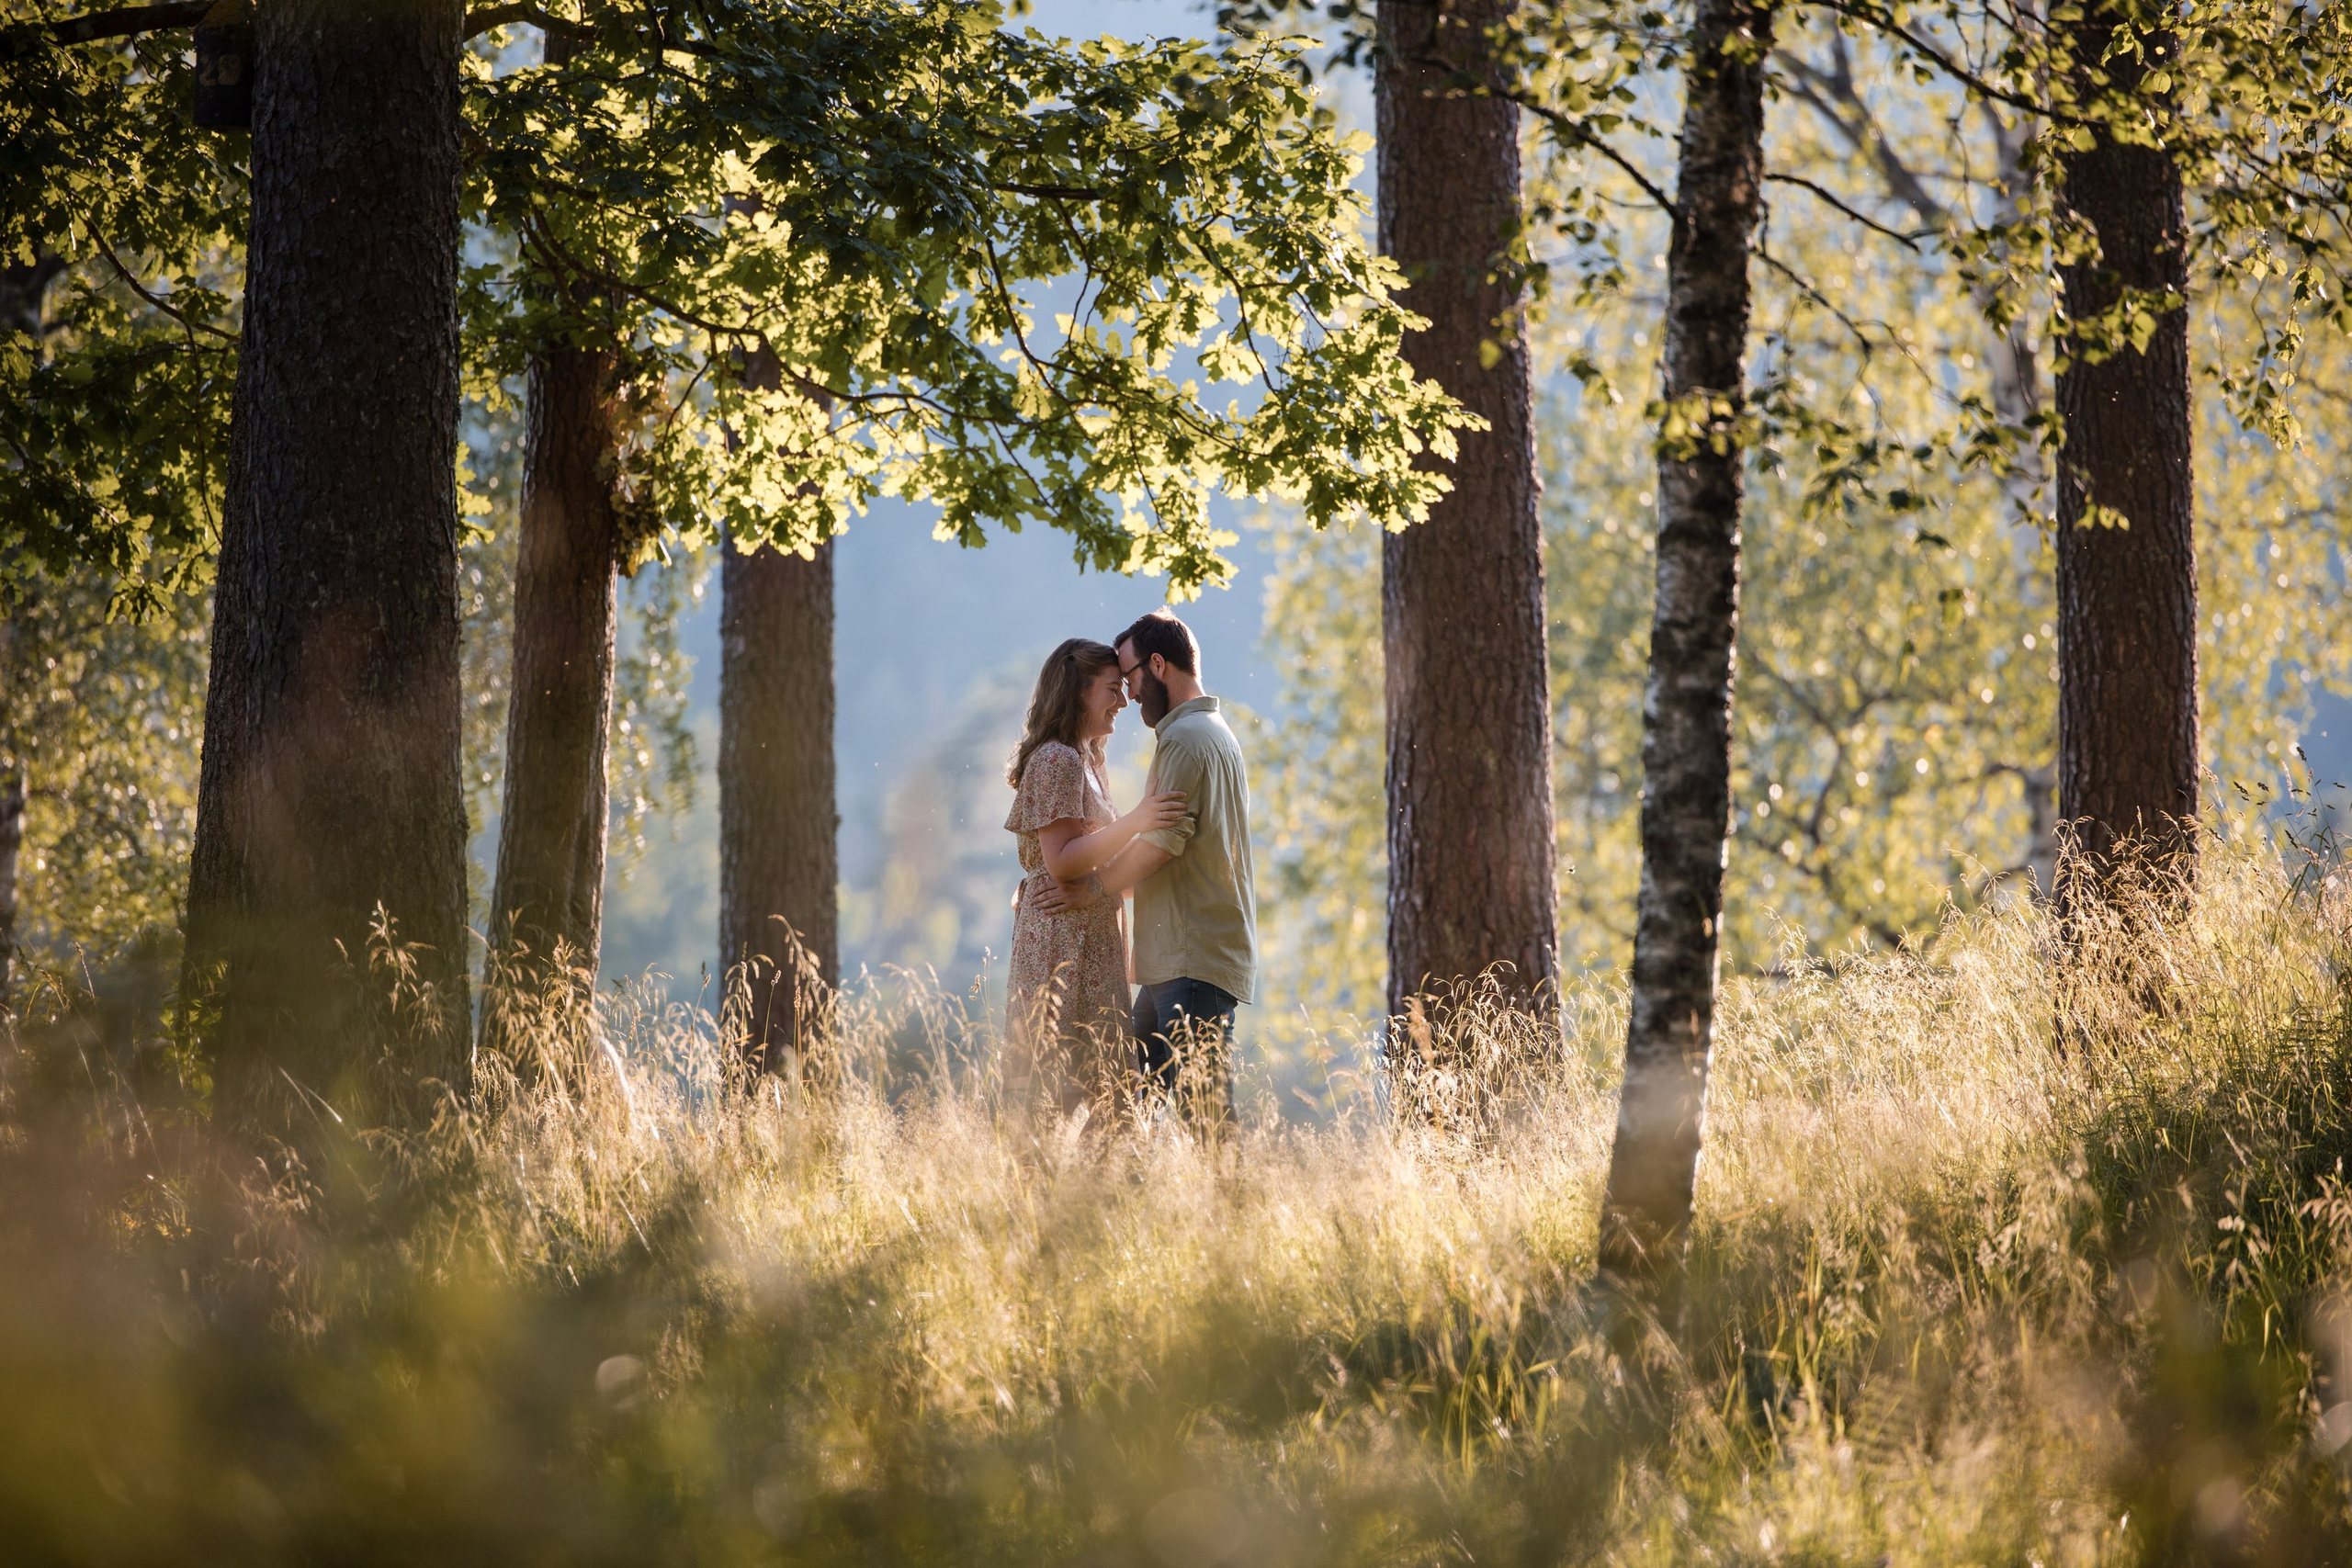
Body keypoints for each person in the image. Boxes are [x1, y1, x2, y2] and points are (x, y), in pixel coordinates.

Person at [1039, 609, 1257, 1126]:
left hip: (1190, 957)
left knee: (1204, 1118)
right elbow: (1183, 856)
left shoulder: (1184, 740)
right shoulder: (1216, 733)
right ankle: (1084, 1205)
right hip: (1182, 956)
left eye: (1131, 679)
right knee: (1126, 1100)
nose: (1128, 695)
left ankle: (1231, 1203)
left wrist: (1090, 889)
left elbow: (1159, 845)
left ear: (1158, 665)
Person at [1002, 637, 1186, 1118]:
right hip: (1061, 940)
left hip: (1092, 934)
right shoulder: (1057, 759)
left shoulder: (1089, 759)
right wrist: (1139, 820)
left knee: (1109, 1094)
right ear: (1077, 692)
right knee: (1054, 1092)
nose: (1124, 701)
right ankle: (1032, 1192)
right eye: (1112, 689)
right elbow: (1062, 862)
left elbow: (1097, 864)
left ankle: (1090, 1190)